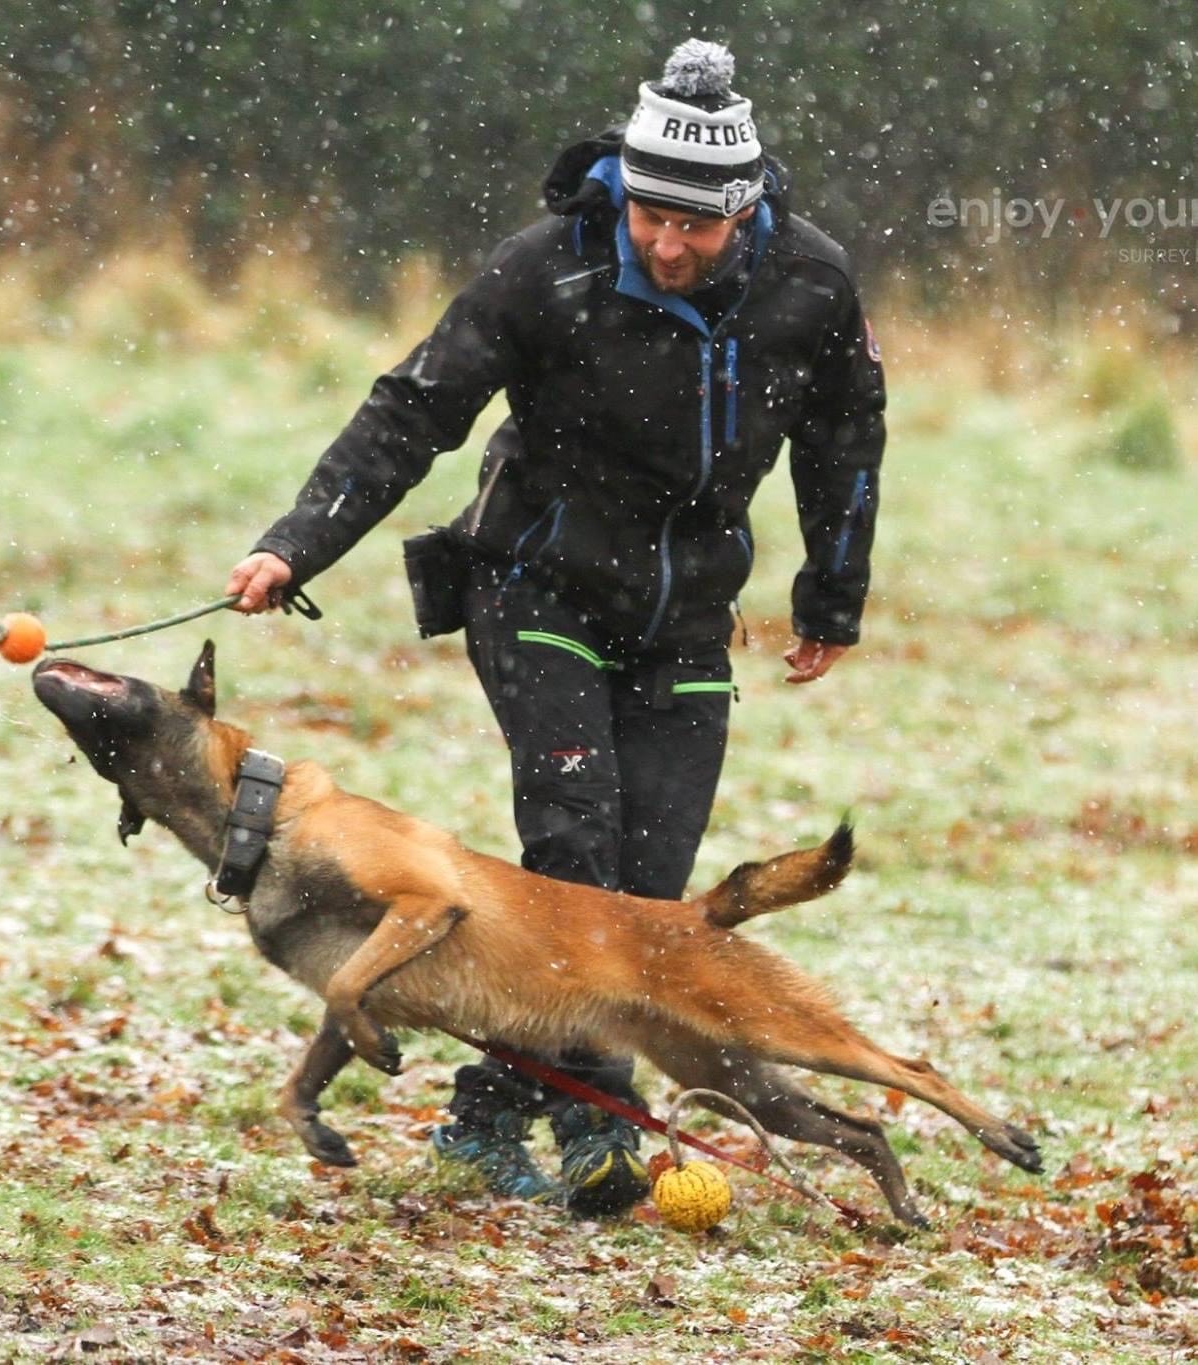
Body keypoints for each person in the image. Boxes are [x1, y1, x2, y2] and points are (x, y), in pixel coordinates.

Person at [226, 38, 886, 1215]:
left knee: (648, 890)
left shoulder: (813, 286)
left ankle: (520, 1117)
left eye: (696, 226)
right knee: (577, 847)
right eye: (649, 217)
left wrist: (833, 596)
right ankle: (564, 1129)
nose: (667, 245)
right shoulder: (547, 269)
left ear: (745, 208)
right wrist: (296, 541)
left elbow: (845, 440)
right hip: (534, 588)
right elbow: (415, 408)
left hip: (685, 615)